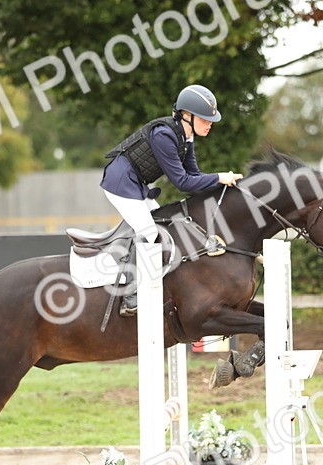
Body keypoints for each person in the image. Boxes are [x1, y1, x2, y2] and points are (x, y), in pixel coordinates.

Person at [100, 84, 243, 316]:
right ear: (186, 115)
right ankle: (131, 297)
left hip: (138, 186)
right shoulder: (164, 135)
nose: (210, 124)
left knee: (168, 227)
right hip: (120, 184)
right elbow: (183, 182)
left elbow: (195, 176)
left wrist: (223, 191)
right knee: (150, 233)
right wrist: (219, 177)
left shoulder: (187, 138)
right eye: (205, 119)